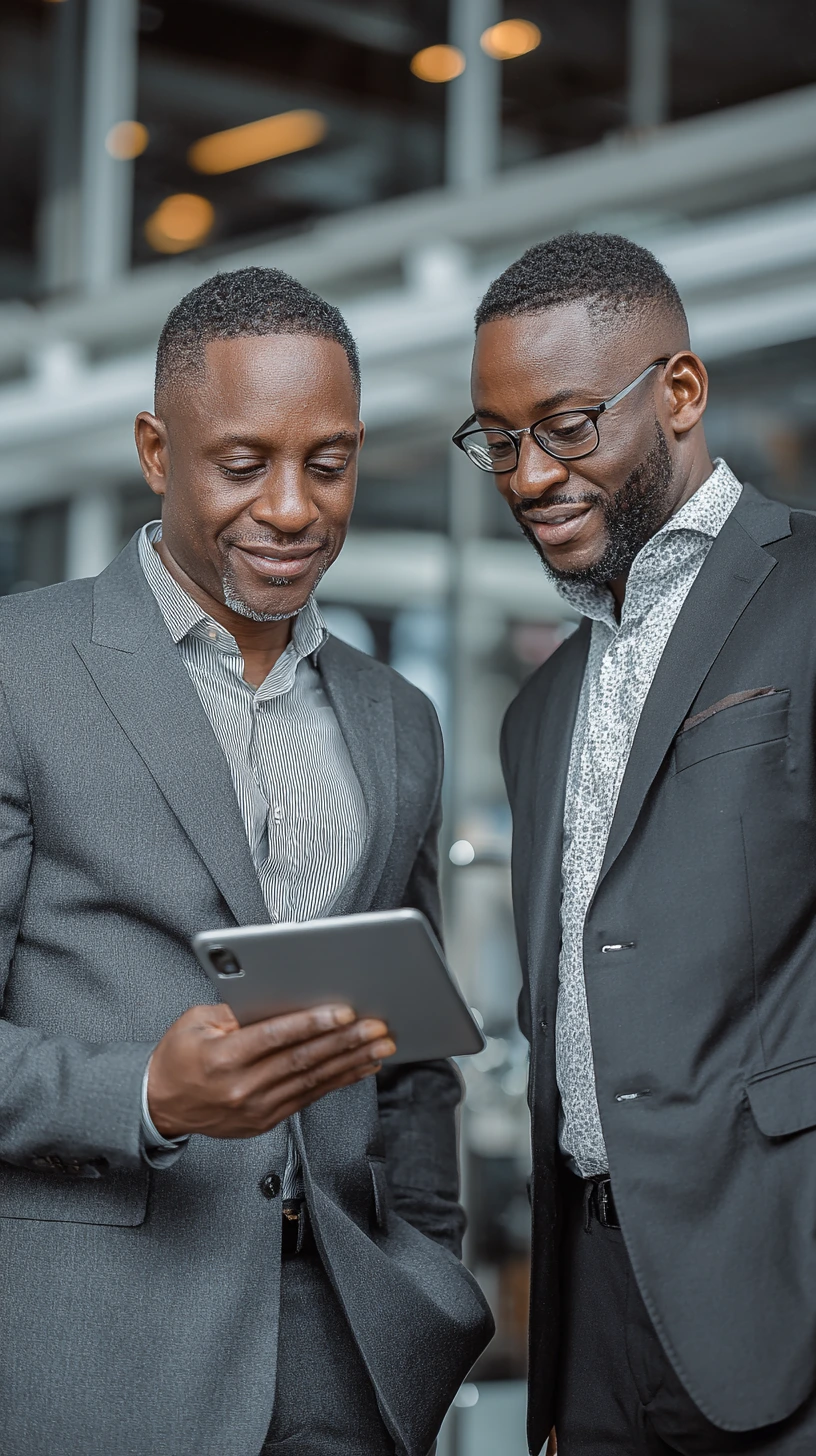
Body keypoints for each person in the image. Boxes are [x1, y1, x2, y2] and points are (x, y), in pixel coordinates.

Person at [0, 266, 493, 1456]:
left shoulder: (397, 717)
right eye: (241, 464)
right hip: (101, 1360)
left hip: (354, 1356)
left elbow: (414, 1053)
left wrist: (425, 1267)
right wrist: (145, 1096)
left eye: (329, 463)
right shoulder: (21, 667)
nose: (291, 507)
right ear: (155, 449)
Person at [454, 230, 816, 1455]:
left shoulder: (808, 593)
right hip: (597, 1310)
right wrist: (559, 1366)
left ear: (679, 392)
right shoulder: (538, 709)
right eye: (498, 440)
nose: (528, 474)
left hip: (782, 1283)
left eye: (565, 426)